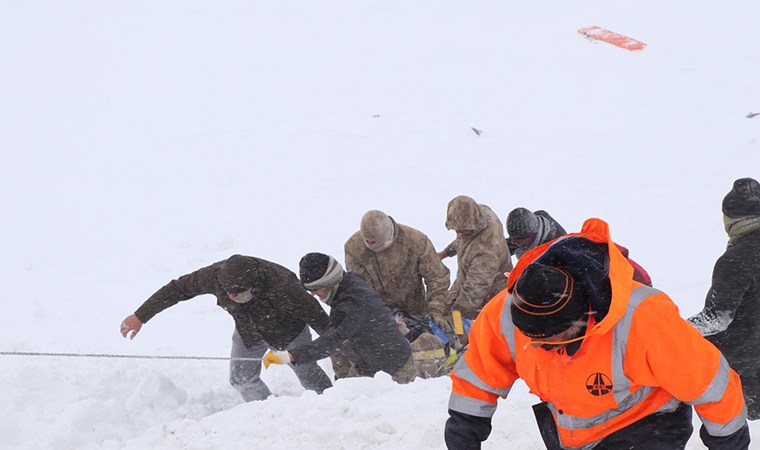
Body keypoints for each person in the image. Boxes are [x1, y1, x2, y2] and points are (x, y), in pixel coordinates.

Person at [445, 218, 750, 450]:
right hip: (572, 433)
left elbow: (711, 383)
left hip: (647, 424)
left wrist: (727, 441)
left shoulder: (644, 320)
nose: (546, 348)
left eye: (556, 338)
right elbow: (478, 375)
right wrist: (464, 428)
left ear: (583, 317)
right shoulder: (505, 314)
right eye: (537, 343)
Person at [120, 254, 333, 402]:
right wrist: (141, 315)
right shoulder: (214, 276)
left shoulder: (283, 283)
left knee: (308, 374)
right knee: (241, 379)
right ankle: (268, 412)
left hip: (288, 333)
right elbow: (178, 289)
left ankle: (332, 406)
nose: (230, 296)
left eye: (237, 292)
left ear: (254, 284)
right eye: (227, 291)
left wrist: (344, 346)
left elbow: (319, 319)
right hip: (248, 332)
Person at [263, 253, 417, 384]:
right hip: (370, 364)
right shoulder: (350, 282)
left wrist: (291, 355)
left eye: (316, 289)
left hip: (393, 371)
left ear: (329, 281)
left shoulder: (351, 303)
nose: (313, 294)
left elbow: (333, 339)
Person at [344, 210, 453, 378]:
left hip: (417, 312)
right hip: (379, 315)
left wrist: (435, 311)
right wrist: (379, 314)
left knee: (429, 350)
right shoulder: (354, 248)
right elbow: (358, 289)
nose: (372, 245)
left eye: (377, 243)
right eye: (369, 242)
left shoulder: (416, 242)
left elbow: (438, 279)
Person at [688, 177, 760, 420]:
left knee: (739, 420)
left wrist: (676, 328)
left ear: (730, 220)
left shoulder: (735, 260)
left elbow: (717, 318)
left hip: (743, 359)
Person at [507, 207, 653, 286]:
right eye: (512, 238)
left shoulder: (555, 253)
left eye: (519, 239)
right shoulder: (538, 222)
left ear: (533, 235)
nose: (513, 242)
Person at [439, 195, 512, 322]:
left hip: (490, 293)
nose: (459, 234)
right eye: (457, 230)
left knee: (465, 324)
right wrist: (445, 252)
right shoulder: (482, 213)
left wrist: (456, 313)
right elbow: (462, 239)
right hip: (468, 276)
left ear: (473, 226)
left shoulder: (486, 251)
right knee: (445, 307)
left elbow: (475, 290)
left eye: (463, 231)